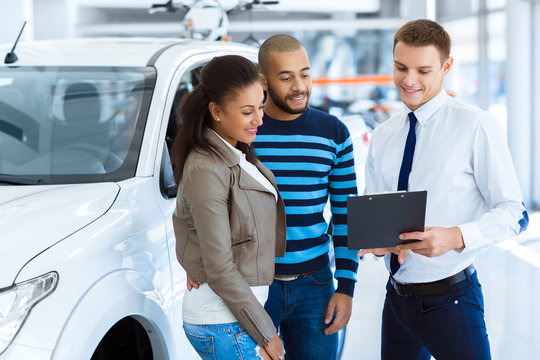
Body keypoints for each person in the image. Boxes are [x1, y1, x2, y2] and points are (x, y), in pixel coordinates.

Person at [358, 19, 529, 360]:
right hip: (397, 299)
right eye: (400, 67)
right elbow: (376, 211)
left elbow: (516, 213)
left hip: (451, 300)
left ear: (447, 66)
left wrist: (454, 237)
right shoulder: (383, 135)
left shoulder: (476, 125)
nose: (409, 80)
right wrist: (376, 243)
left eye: (423, 70)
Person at [170, 55, 286, 360]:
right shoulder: (207, 167)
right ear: (217, 111)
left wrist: (193, 260)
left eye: (260, 106)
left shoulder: (234, 150)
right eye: (247, 111)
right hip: (223, 321)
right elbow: (219, 267)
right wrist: (267, 333)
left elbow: (189, 222)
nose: (259, 119)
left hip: (236, 316)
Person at [253, 34, 359, 359]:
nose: (299, 85)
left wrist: (346, 287)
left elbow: (346, 214)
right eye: (286, 77)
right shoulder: (245, 133)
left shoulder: (334, 133)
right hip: (255, 286)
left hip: (315, 285)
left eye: (305, 73)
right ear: (264, 81)